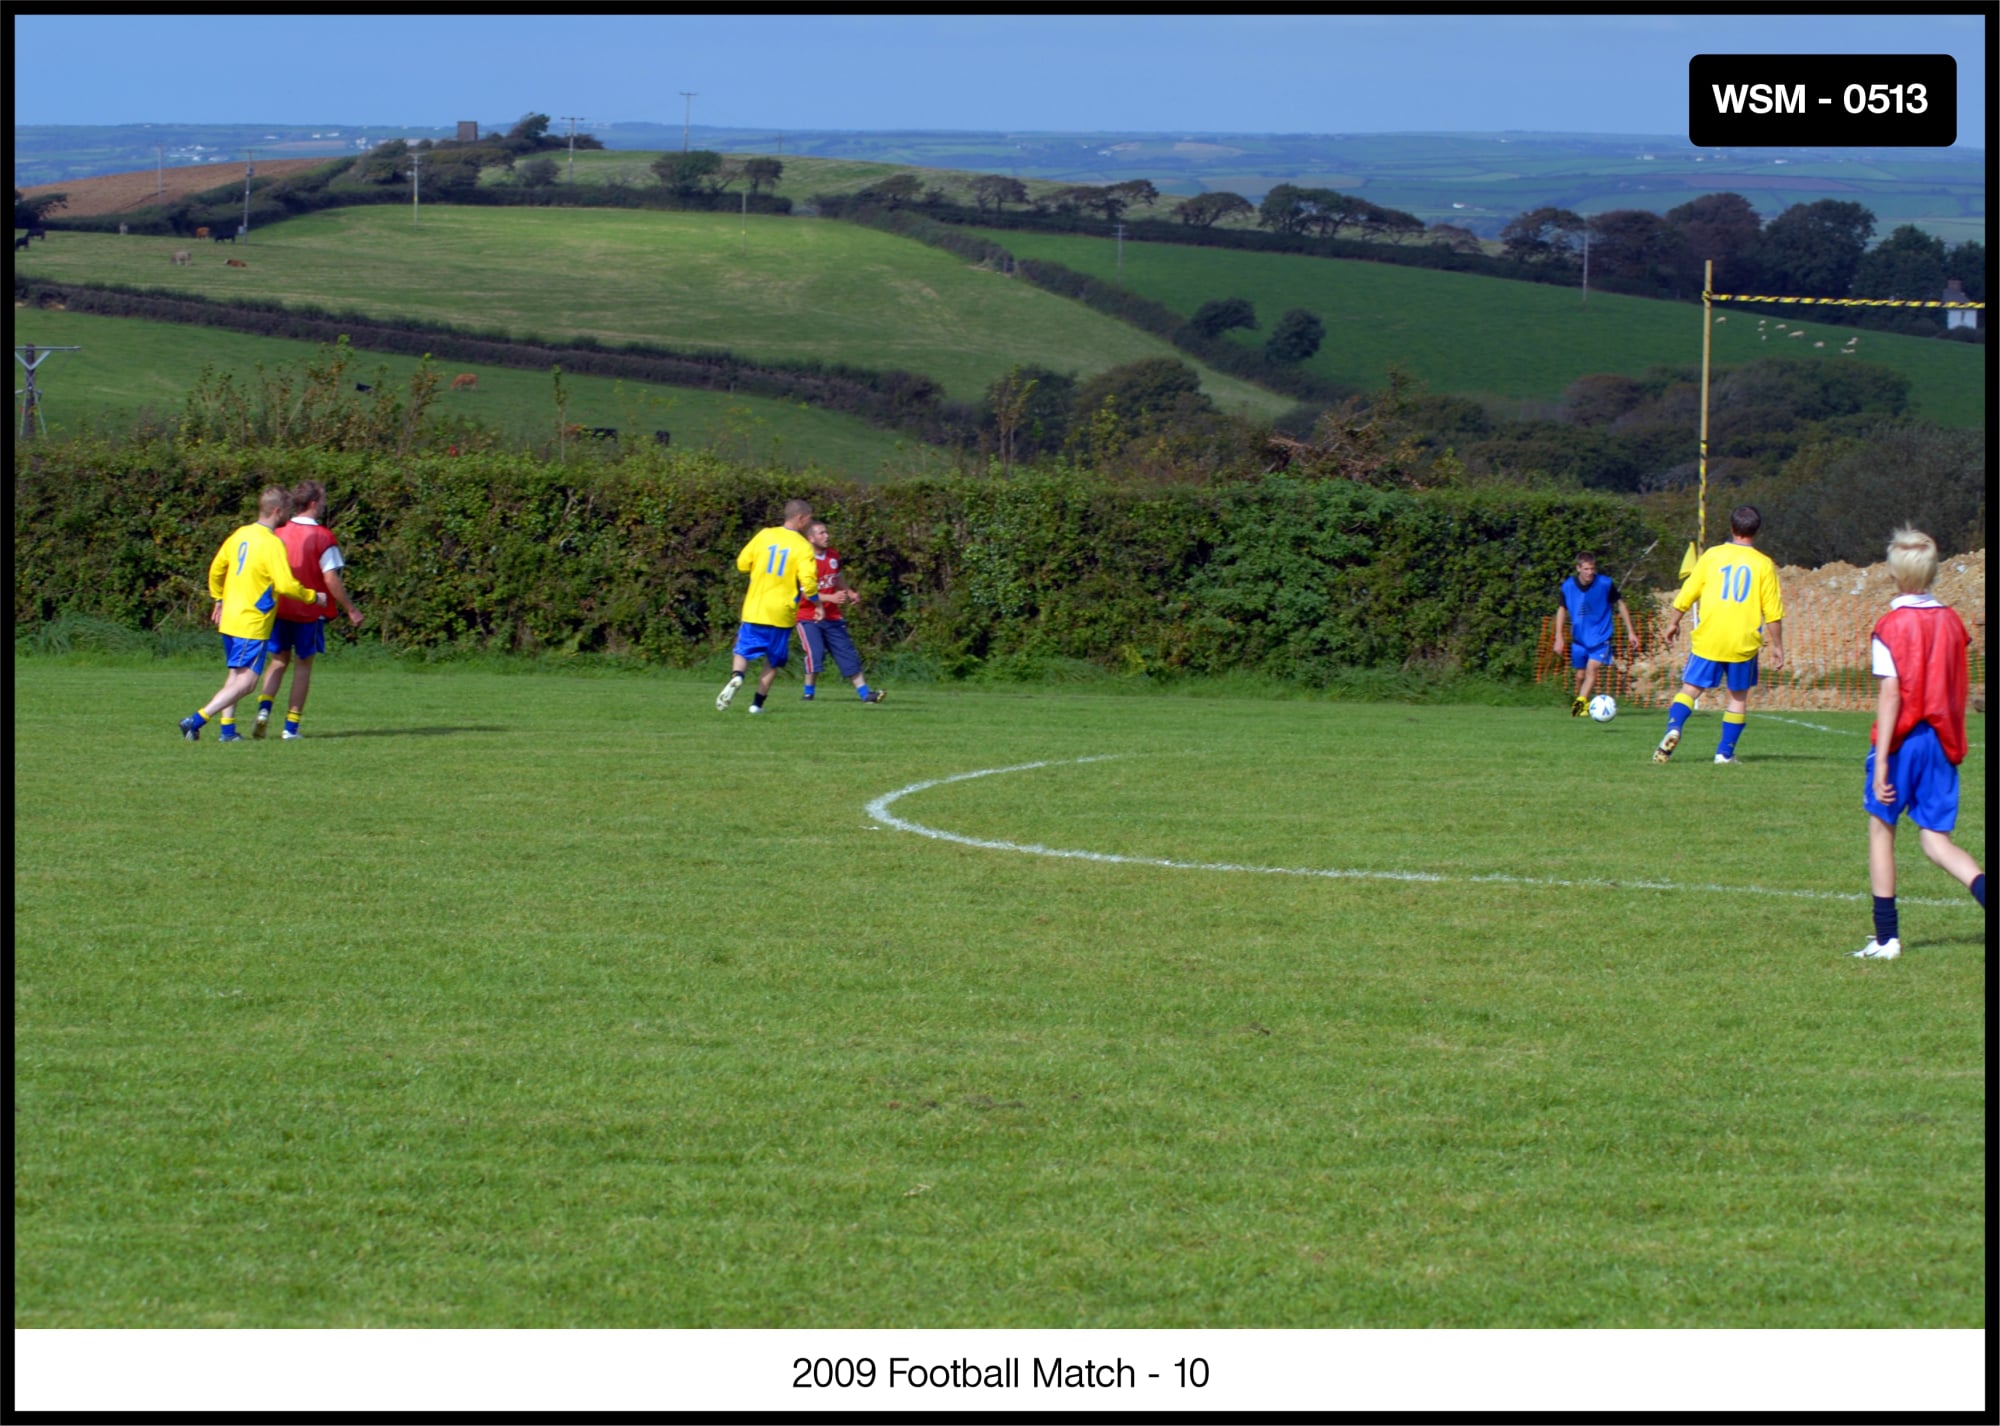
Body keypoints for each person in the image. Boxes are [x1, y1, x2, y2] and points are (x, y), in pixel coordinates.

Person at [1853, 528, 1984, 959]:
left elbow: (1891, 694)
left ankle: (1886, 937)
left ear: (1893, 574)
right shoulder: (1953, 621)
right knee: (1935, 841)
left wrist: (1884, 764)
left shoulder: (1890, 626)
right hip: (1942, 741)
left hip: (1904, 740)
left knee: (1881, 829)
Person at [179, 487, 327, 742]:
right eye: (287, 511)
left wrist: (219, 599)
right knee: (247, 683)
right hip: (252, 621)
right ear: (277, 511)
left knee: (235, 676)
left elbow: (216, 569)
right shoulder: (271, 543)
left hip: (230, 617)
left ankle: (227, 732)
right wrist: (314, 597)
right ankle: (196, 720)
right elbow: (285, 585)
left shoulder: (240, 534)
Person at [1652, 505, 1784, 765]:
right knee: (1738, 697)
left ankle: (1674, 726)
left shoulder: (1712, 556)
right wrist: (1778, 646)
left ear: (1732, 528)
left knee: (1690, 689)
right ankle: (1724, 753)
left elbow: (1688, 591)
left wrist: (1673, 621)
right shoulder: (1763, 564)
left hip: (1710, 637)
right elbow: (1773, 612)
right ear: (1756, 531)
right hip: (1742, 642)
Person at [237, 479, 364, 740]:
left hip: (280, 609)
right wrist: (350, 608)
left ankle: (263, 711)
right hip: (309, 611)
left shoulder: (279, 531)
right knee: (303, 666)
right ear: (315, 503)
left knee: (278, 661)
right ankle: (290, 728)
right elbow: (330, 578)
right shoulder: (323, 536)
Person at [717, 499, 820, 715]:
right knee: (773, 662)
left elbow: (742, 564)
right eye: (809, 519)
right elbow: (808, 582)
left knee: (742, 649)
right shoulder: (803, 546)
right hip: (781, 612)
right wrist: (817, 603)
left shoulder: (764, 535)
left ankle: (737, 676)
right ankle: (756, 705)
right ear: (800, 518)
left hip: (756, 607)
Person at [796, 519, 886, 705]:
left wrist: (849, 591)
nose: (826, 536)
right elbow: (805, 592)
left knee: (846, 652)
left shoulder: (833, 556)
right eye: (821, 533)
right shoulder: (805, 560)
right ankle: (808, 693)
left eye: (826, 532)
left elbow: (837, 577)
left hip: (832, 615)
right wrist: (831, 598)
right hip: (808, 616)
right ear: (811, 538)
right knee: (815, 653)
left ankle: (865, 694)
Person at [1554, 551, 1640, 716]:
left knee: (1591, 670)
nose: (1590, 573)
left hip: (1601, 637)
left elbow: (1621, 605)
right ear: (1578, 568)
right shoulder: (1568, 586)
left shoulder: (1605, 584)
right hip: (1579, 640)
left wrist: (1631, 632)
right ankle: (1581, 702)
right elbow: (1561, 609)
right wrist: (1559, 636)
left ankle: (1578, 708)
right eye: (1586, 569)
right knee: (1580, 675)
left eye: (1592, 569)